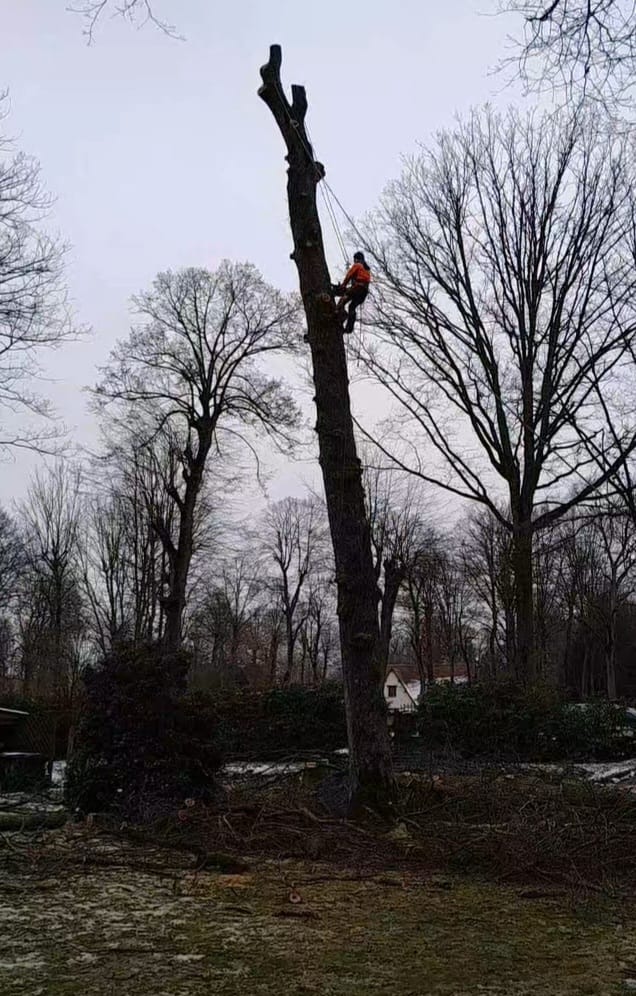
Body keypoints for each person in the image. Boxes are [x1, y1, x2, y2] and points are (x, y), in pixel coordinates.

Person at [336, 251, 371, 333]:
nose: (354, 261)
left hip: (357, 288)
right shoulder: (366, 270)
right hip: (363, 292)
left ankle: (339, 313)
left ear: (356, 259)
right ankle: (349, 328)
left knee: (343, 299)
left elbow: (349, 275)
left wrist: (343, 285)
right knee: (351, 307)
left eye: (355, 259)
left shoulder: (357, 265)